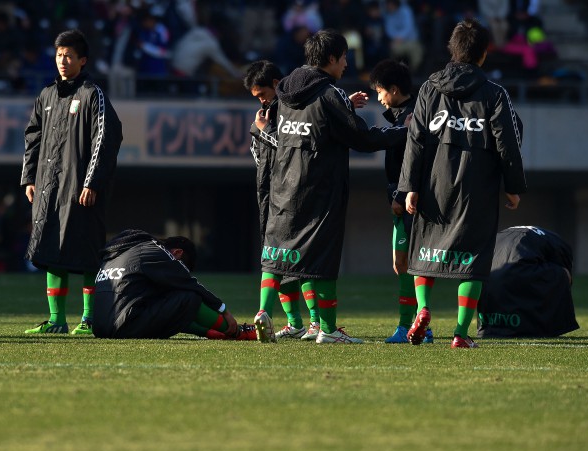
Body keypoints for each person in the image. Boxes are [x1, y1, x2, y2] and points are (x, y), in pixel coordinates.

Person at [255, 29, 406, 344]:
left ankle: (263, 312)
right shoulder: (330, 94)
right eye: (345, 58)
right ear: (332, 59)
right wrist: (403, 132)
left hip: (283, 186)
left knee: (275, 253)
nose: (347, 65)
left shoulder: (284, 91)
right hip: (319, 189)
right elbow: (362, 138)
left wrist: (344, 106)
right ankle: (328, 329)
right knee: (320, 260)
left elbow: (288, 130)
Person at [398, 18, 527, 348]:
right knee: (473, 261)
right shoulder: (494, 93)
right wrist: (512, 185)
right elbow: (507, 140)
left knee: (425, 250)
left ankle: (423, 310)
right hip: (477, 187)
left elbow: (415, 139)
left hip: (433, 183)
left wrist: (409, 186)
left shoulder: (429, 87)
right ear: (483, 53)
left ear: (451, 50)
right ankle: (460, 333)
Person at [21, 29, 123, 335]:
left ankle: (88, 319)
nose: (62, 61)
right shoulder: (46, 96)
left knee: (87, 251)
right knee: (51, 248)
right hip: (48, 187)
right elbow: (32, 138)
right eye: (58, 55)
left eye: (68, 56)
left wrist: (91, 182)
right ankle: (56, 320)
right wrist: (29, 178)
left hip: (81, 189)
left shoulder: (93, 95)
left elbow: (105, 139)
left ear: (82, 60)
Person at [244, 60, 321, 341]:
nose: (261, 101)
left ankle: (315, 322)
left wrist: (263, 131)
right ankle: (294, 322)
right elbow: (259, 155)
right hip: (267, 193)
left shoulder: (291, 110)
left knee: (298, 255)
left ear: (277, 85)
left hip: (289, 192)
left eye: (263, 94)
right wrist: (260, 133)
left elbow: (290, 152)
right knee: (274, 256)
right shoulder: (266, 113)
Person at [368, 59, 433, 344]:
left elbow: (411, 162)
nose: (378, 97)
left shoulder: (412, 116)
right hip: (404, 199)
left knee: (408, 263)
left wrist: (399, 194)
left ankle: (416, 325)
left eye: (380, 91)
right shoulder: (405, 115)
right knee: (404, 263)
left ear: (393, 90)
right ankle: (414, 323)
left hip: (409, 201)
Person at [92, 229, 258, 340]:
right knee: (189, 297)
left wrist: (206, 332)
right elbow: (190, 284)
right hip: (124, 325)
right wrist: (224, 311)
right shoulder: (157, 250)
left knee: (170, 299)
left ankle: (221, 331)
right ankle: (238, 333)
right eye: (183, 266)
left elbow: (169, 314)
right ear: (178, 253)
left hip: (100, 328)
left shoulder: (125, 252)